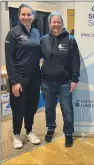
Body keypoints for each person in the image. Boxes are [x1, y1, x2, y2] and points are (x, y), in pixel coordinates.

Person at [40, 12, 80, 147]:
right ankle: (50, 128)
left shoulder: (70, 40)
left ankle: (68, 134)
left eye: (58, 22)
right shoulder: (43, 39)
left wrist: (75, 79)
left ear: (62, 24)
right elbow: (38, 57)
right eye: (53, 22)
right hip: (47, 82)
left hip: (65, 83)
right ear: (50, 24)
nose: (56, 25)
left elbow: (75, 61)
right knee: (49, 108)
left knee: (67, 110)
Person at [5, 4, 41, 149]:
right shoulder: (12, 33)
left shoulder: (36, 32)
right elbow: (9, 59)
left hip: (35, 78)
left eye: (29, 14)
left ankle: (29, 131)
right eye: (23, 14)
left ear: (33, 16)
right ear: (19, 16)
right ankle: (16, 134)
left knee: (32, 107)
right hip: (19, 78)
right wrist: (14, 82)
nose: (26, 17)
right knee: (19, 108)